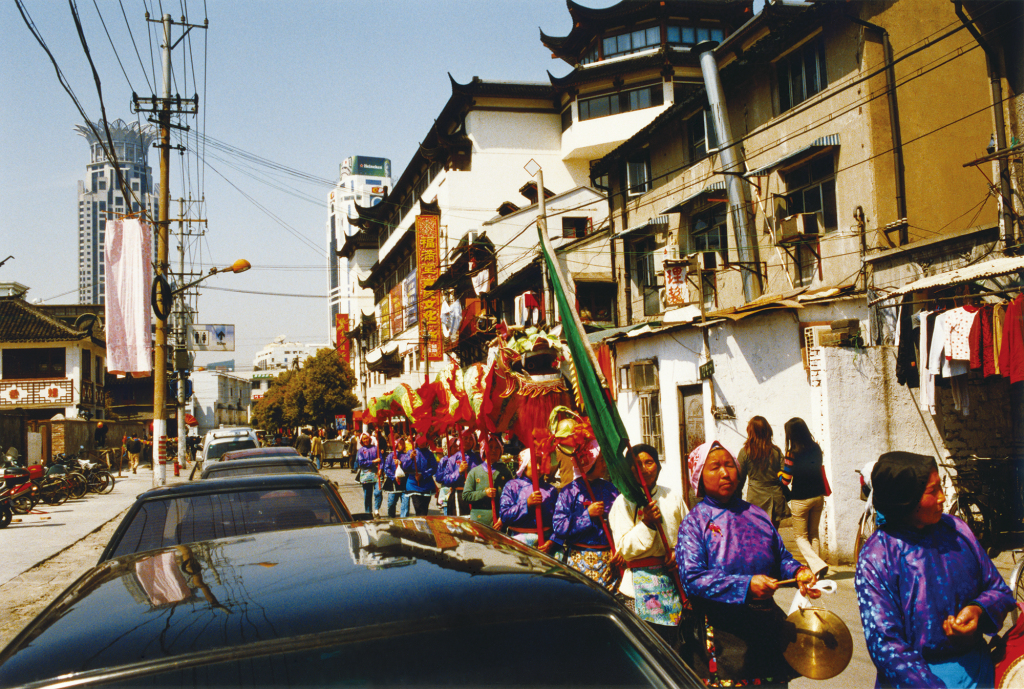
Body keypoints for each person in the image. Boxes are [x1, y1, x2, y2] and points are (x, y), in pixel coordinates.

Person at [856, 452, 1014, 688]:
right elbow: (885, 644)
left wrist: (978, 610)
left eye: (941, 487)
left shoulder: (957, 530)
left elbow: (999, 590)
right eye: (933, 491)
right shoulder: (878, 556)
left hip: (978, 673)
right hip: (917, 681)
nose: (943, 497)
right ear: (906, 499)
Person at [678, 440, 819, 687]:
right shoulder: (695, 522)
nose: (725, 473)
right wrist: (745, 586)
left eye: (729, 465)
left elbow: (780, 558)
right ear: (699, 477)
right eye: (715, 467)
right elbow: (693, 578)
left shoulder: (756, 514)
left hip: (765, 629)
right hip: (721, 634)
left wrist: (798, 572)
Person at [609, 444, 688, 654]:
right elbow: (623, 549)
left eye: (649, 462)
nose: (643, 469)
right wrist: (646, 523)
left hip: (673, 582)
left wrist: (679, 553)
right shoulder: (622, 503)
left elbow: (689, 536)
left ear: (658, 466)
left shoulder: (672, 497)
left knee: (676, 648)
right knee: (642, 648)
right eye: (636, 465)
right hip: (635, 589)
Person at [553, 440, 621, 591]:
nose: (605, 465)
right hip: (579, 558)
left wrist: (619, 548)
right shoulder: (570, 491)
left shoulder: (611, 490)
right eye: (601, 460)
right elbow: (559, 527)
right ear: (590, 462)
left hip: (608, 559)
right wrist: (587, 515)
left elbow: (621, 522)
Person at [781, 417, 828, 577]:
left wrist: (779, 474)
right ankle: (816, 571)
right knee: (813, 534)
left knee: (800, 537)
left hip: (800, 498)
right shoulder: (816, 448)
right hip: (818, 496)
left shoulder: (791, 453)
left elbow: (786, 480)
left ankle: (818, 565)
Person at [499, 448, 558, 551]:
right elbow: (504, 516)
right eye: (535, 463)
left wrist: (552, 541)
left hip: (546, 543)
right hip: (518, 542)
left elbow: (559, 520)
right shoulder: (512, 486)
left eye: (541, 463)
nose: (538, 468)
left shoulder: (551, 490)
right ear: (524, 465)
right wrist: (527, 504)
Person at [736, 416, 786, 529]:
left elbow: (739, 479)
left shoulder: (745, 452)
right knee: (773, 533)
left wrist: (736, 501)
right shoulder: (776, 451)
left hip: (756, 499)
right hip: (775, 497)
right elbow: (783, 474)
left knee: (757, 534)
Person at [463, 435, 514, 527]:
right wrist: (484, 493)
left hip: (499, 522)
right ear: (483, 450)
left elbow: (513, 496)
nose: (494, 450)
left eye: (497, 447)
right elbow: (466, 496)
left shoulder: (505, 472)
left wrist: (503, 518)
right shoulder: (474, 472)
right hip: (479, 521)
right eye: (490, 447)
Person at [435, 430, 481, 516]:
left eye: (471, 439)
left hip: (475, 495)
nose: (468, 441)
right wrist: (458, 472)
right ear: (460, 440)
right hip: (459, 496)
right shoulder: (453, 459)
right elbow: (446, 480)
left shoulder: (478, 458)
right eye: (465, 438)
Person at [404, 435, 438, 517]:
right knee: (418, 507)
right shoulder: (410, 452)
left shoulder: (429, 454)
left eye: (423, 441)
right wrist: (410, 458)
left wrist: (423, 474)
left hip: (426, 483)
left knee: (424, 509)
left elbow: (434, 468)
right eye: (420, 441)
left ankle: (423, 522)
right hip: (413, 483)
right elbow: (404, 467)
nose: (422, 443)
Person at [355, 433, 379, 515]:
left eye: (367, 438)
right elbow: (361, 463)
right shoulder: (360, 451)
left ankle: (376, 510)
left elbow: (381, 459)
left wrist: (381, 469)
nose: (365, 440)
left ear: (370, 438)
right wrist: (373, 462)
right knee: (367, 495)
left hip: (376, 474)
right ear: (361, 440)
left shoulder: (375, 448)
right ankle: (368, 513)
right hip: (366, 475)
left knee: (378, 492)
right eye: (364, 439)